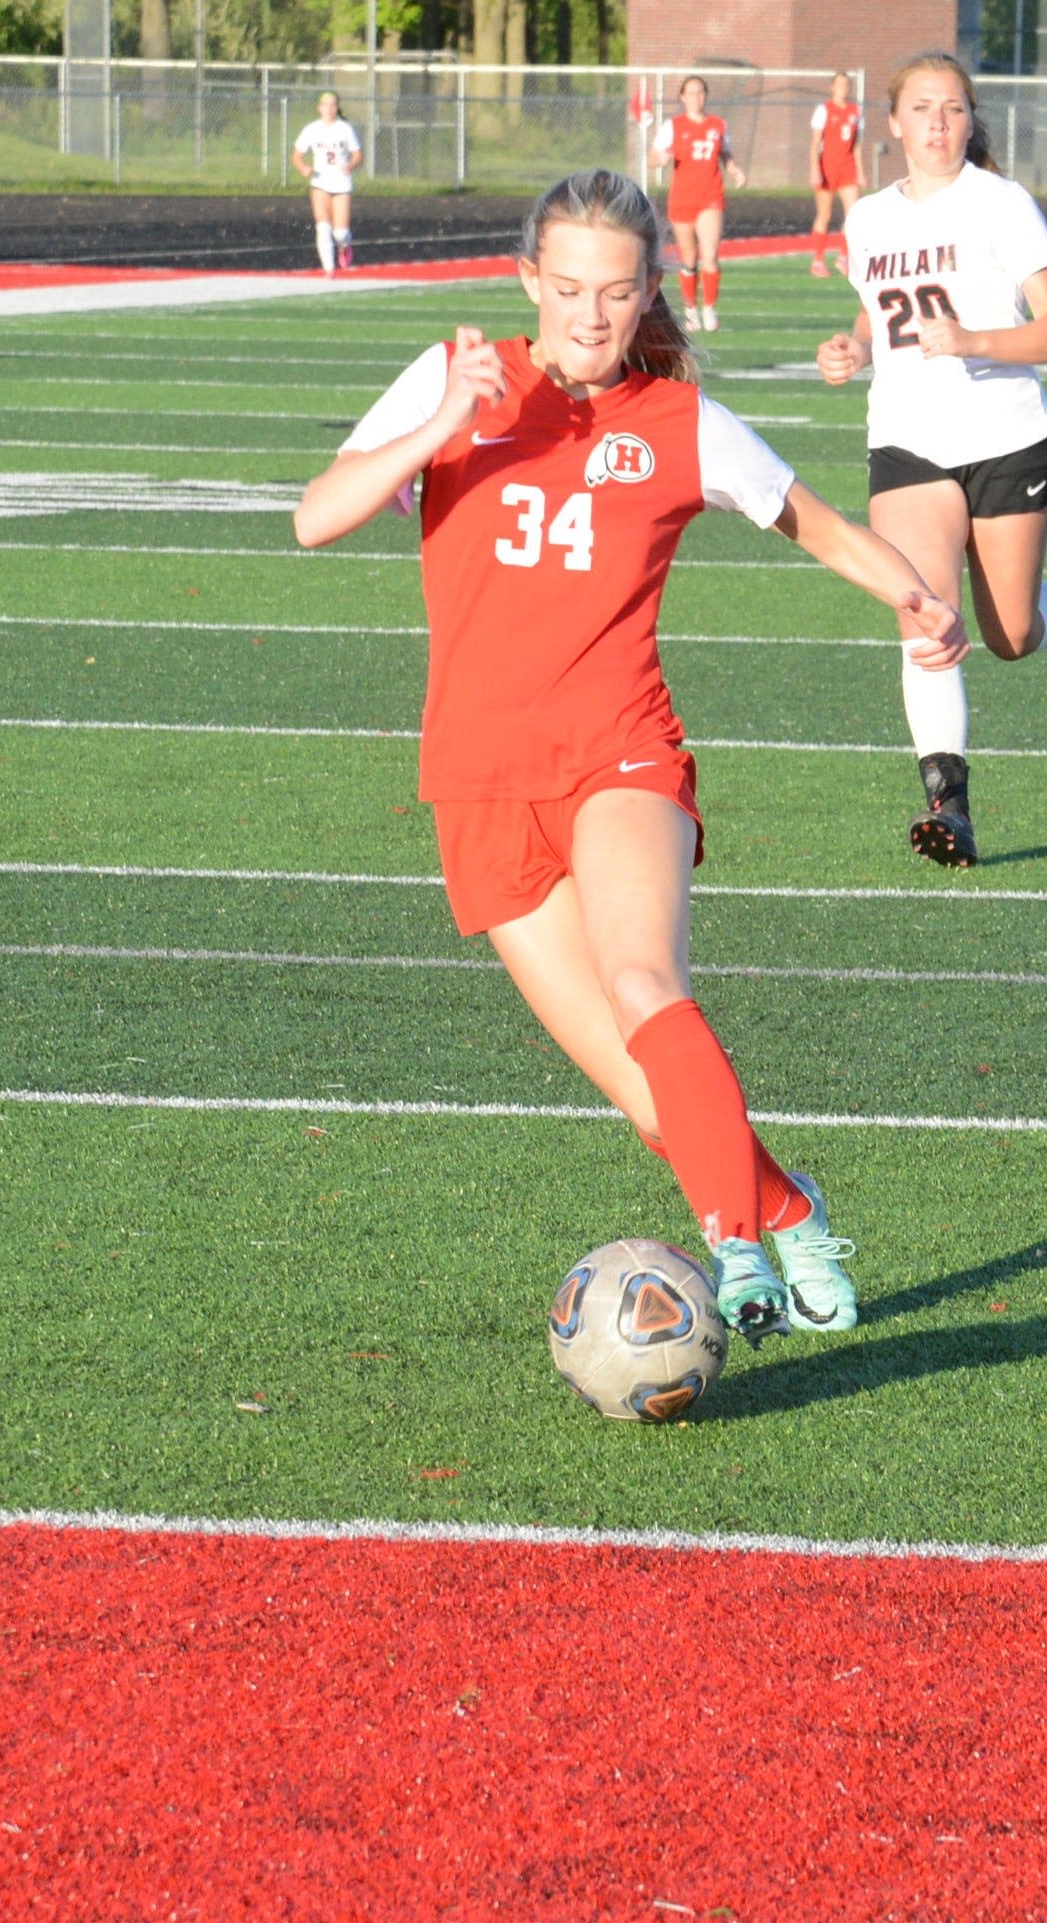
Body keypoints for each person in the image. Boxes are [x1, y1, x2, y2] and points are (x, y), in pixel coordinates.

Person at [290, 169, 964, 1341]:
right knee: (646, 1092)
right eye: (565, 290)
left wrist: (912, 593)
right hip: (479, 783)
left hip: (621, 753)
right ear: (526, 281)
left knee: (648, 982)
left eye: (614, 291)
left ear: (650, 288)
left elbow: (807, 517)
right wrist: (447, 422)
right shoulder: (458, 379)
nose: (589, 316)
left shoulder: (677, 421)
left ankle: (734, 1251)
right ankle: (790, 1207)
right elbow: (316, 515)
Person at [818, 53, 1047, 869]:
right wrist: (854, 344)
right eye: (922, 109)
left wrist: (977, 341)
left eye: (953, 109)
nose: (938, 124)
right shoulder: (870, 217)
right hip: (907, 437)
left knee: (1010, 634)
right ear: (894, 123)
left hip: (1004, 435)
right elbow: (881, 312)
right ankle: (948, 800)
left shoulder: (1002, 204)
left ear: (969, 120)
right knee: (923, 614)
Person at [654, 76, 744, 332]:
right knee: (689, 257)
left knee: (710, 255)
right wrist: (659, 158)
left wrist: (735, 170)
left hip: (710, 196)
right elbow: (655, 154)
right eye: (691, 93)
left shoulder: (718, 125)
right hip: (683, 198)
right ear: (682, 97)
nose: (696, 97)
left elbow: (725, 153)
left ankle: (710, 309)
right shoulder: (673, 126)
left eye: (701, 92)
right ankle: (691, 308)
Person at [291, 92, 363, 278]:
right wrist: (303, 168)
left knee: (339, 233)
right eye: (326, 105)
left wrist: (351, 165)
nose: (329, 109)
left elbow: (357, 154)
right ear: (319, 108)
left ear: (337, 108)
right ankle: (329, 270)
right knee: (323, 226)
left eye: (333, 105)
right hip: (320, 182)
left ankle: (345, 245)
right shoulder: (312, 129)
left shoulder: (345, 129)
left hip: (341, 184)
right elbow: (297, 155)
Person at [808, 71, 867, 280]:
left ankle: (844, 257)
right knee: (825, 215)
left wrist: (860, 171)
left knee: (853, 216)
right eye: (839, 84)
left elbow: (857, 145)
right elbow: (815, 143)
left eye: (846, 84)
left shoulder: (856, 111)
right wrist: (815, 168)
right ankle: (817, 260)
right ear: (832, 87)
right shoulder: (823, 110)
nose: (843, 87)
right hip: (827, 167)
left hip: (848, 168)